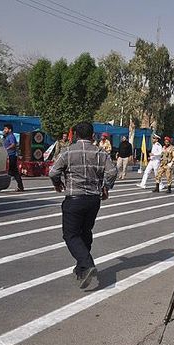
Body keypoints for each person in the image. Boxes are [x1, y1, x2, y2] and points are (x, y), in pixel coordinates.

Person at [49, 122, 117, 289]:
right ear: (92, 136)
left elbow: (53, 172)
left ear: (76, 136)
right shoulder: (100, 153)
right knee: (85, 232)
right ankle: (81, 268)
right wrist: (106, 187)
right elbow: (112, 172)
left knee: (70, 235)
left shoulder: (67, 152)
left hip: (74, 199)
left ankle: (87, 264)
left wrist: (57, 183)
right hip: (93, 200)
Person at [2, 123, 24, 192]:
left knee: (12, 172)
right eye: (4, 129)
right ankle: (20, 186)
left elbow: (13, 144)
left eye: (5, 129)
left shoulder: (11, 136)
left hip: (11, 156)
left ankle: (2, 186)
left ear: (10, 130)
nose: (4, 130)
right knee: (14, 172)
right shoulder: (6, 136)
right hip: (8, 156)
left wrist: (7, 149)